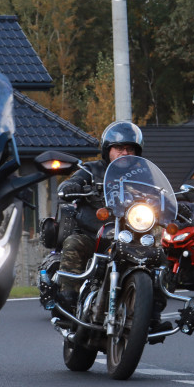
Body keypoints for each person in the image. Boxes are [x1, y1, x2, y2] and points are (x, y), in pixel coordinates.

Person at [53, 120, 144, 309]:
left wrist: (177, 202)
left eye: (129, 149)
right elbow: (73, 181)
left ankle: (152, 310)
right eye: (119, 148)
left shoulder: (142, 173)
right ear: (107, 149)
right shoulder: (91, 169)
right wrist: (71, 186)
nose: (125, 153)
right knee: (74, 243)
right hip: (93, 233)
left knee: (157, 254)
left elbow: (160, 193)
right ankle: (67, 297)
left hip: (130, 236)